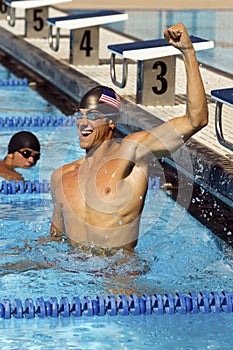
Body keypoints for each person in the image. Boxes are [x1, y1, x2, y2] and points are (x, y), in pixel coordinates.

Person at [50, 23, 208, 254]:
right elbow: (54, 242)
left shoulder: (131, 153)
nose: (83, 122)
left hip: (119, 278)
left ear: (111, 122)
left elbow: (196, 119)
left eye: (93, 116)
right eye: (80, 116)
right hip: (73, 276)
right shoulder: (60, 177)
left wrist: (188, 52)